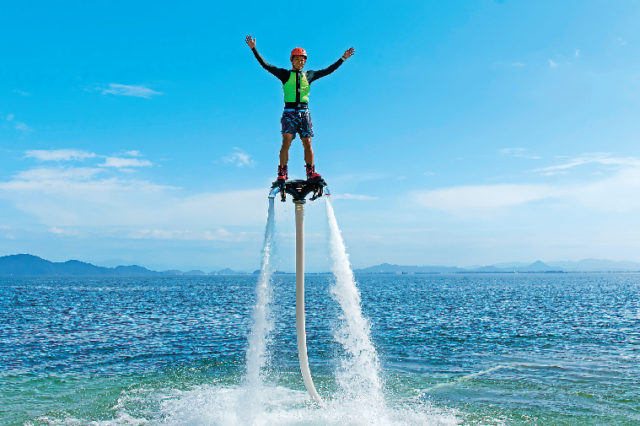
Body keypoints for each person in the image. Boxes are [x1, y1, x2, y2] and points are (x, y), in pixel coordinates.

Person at [245, 35, 355, 183]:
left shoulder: (309, 75)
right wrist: (254, 49)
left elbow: (329, 70)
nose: (300, 61)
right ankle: (282, 172)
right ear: (292, 60)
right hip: (289, 112)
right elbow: (266, 65)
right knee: (286, 142)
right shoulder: (285, 74)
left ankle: (311, 172)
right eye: (297, 58)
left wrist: (343, 58)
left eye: (303, 59)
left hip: (304, 112)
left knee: (307, 142)